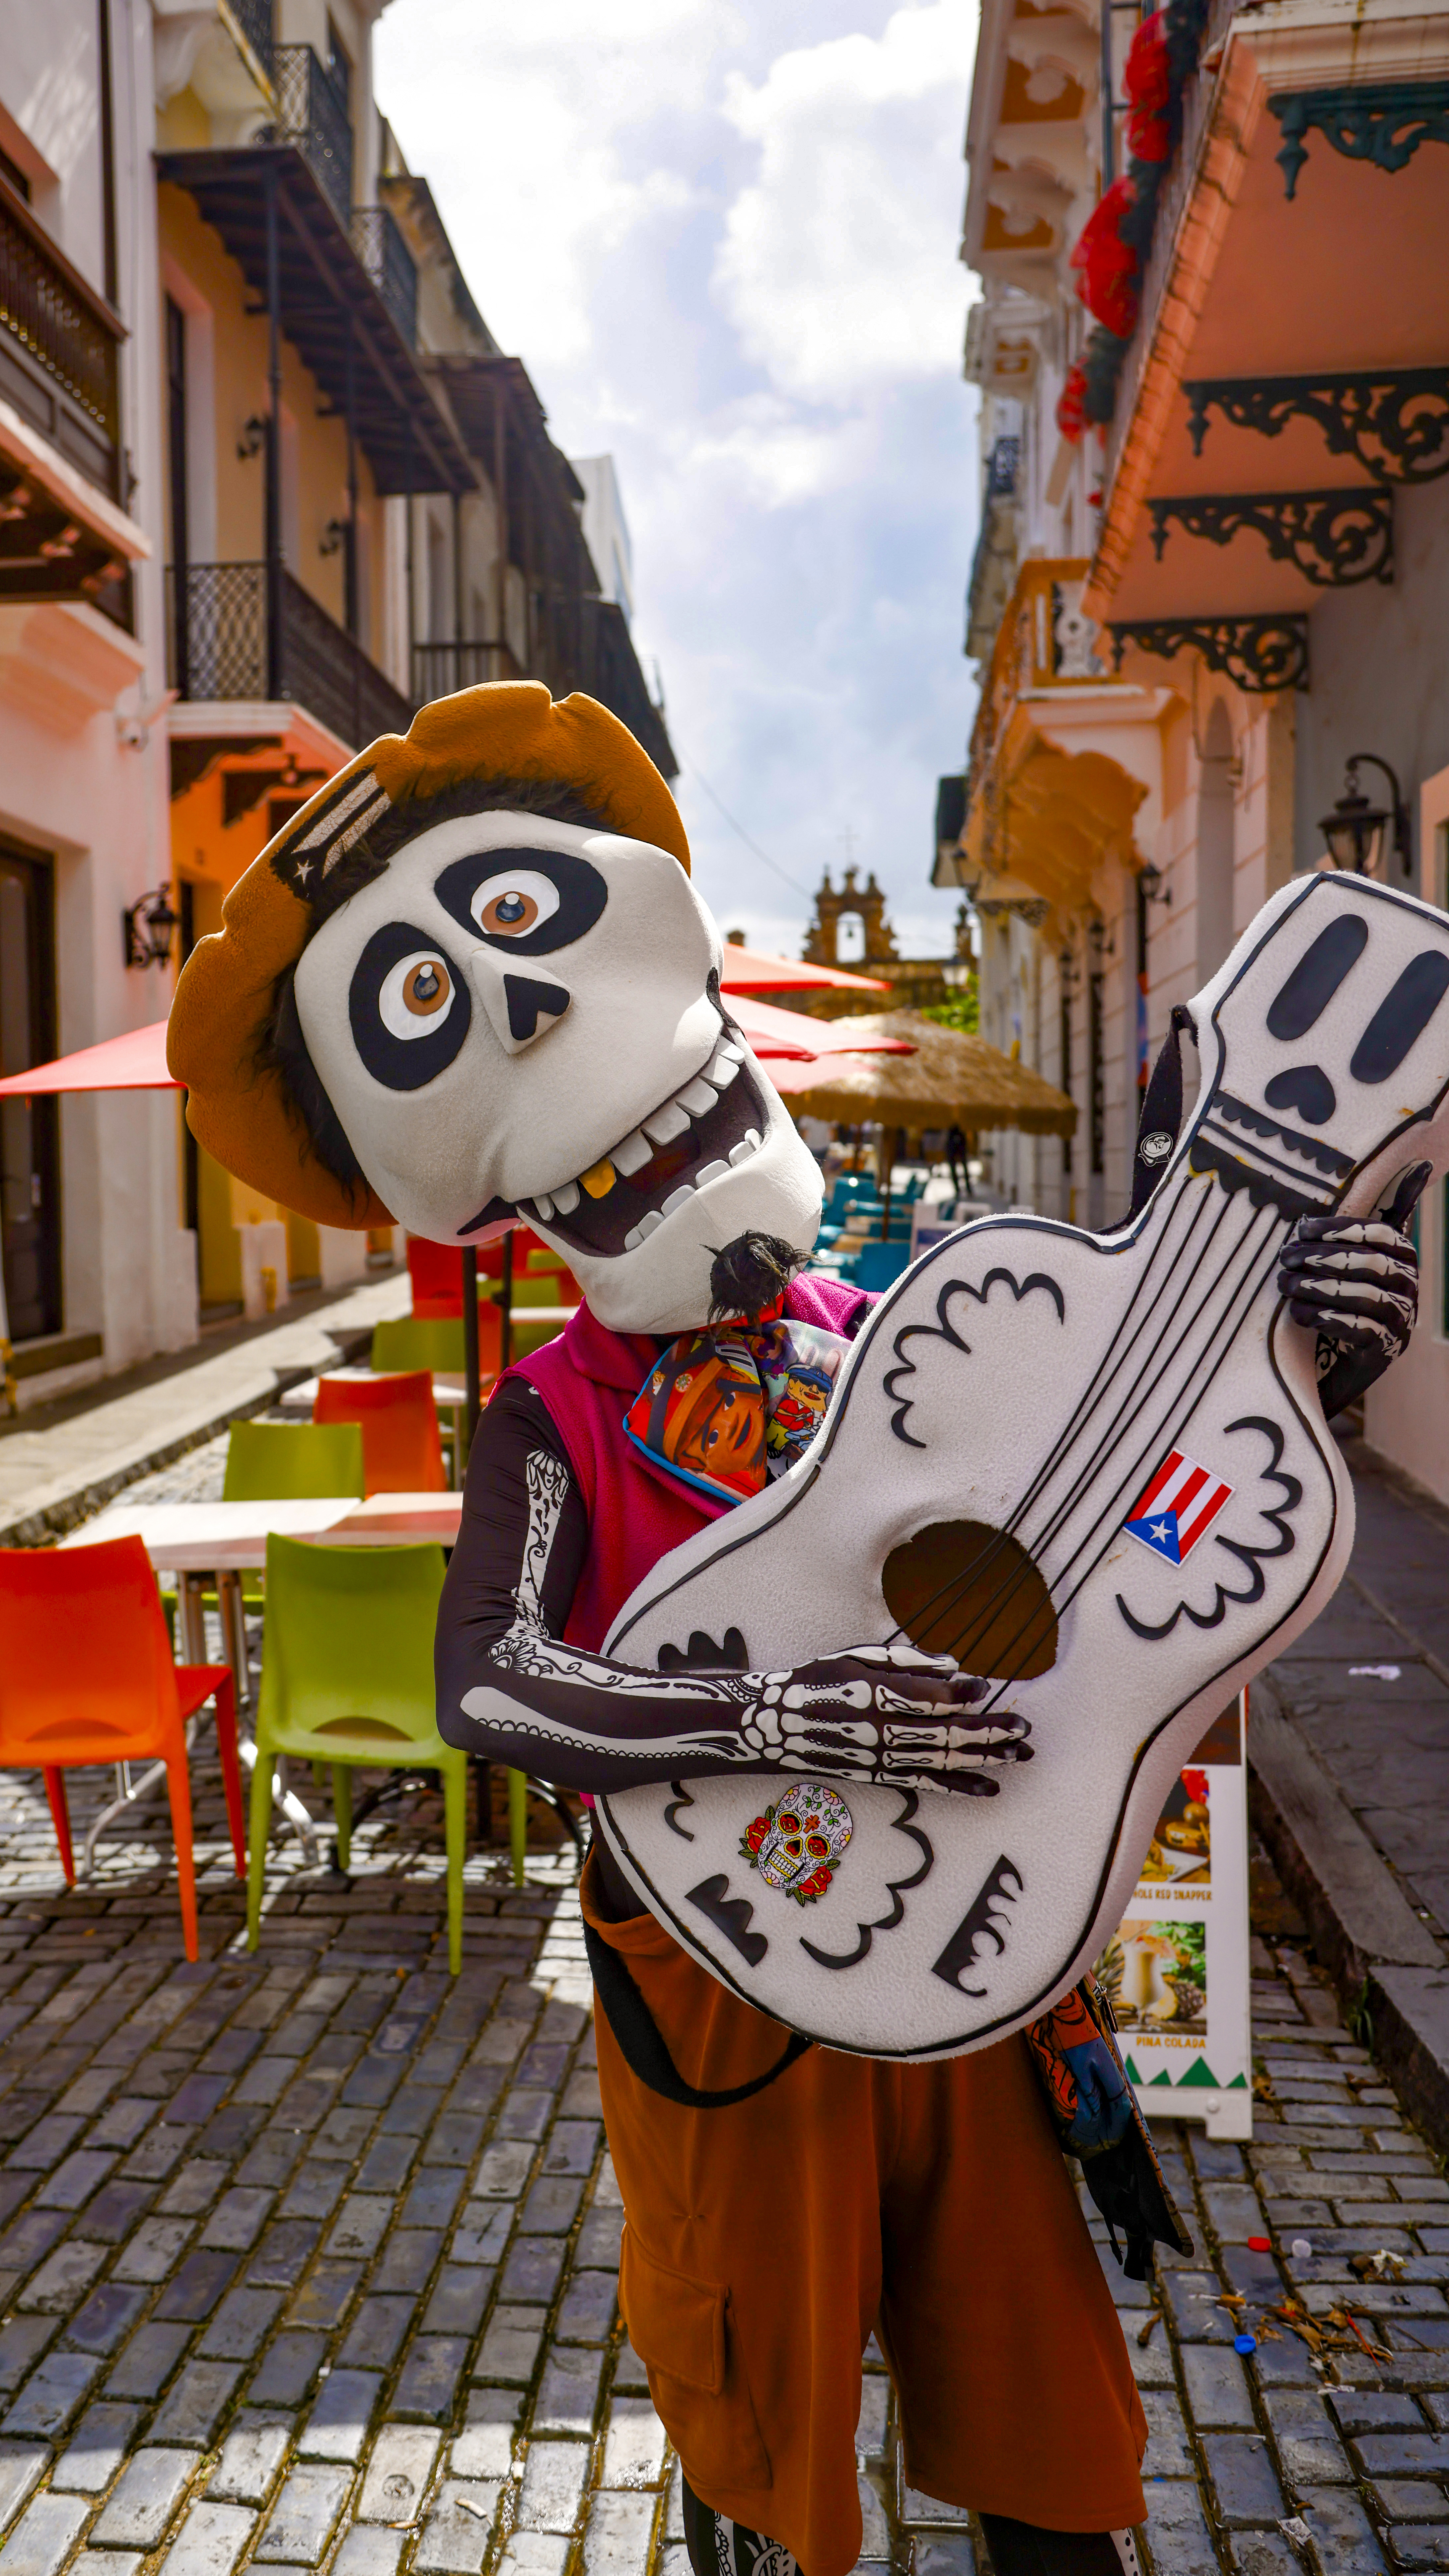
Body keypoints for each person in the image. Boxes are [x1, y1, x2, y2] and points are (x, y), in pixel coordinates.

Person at [171, 683, 1422, 2576]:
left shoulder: (898, 1338)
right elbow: (486, 1684)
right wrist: (768, 1717)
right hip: (727, 1997)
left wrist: (1303, 1361)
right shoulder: (554, 1419)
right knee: (762, 2435)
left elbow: (1132, 1537)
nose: (519, 1010)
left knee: (1045, 2422)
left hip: (983, 1976)